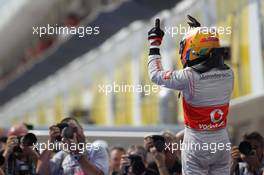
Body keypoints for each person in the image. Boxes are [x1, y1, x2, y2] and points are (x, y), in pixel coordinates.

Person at [147, 15, 234, 175]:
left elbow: (155, 75)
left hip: (196, 143)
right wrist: (200, 34)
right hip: (221, 140)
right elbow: (207, 56)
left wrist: (154, 43)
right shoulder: (229, 73)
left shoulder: (188, 76)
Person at [37, 117, 109, 175]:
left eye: (75, 129)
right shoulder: (62, 156)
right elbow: (40, 172)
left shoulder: (96, 150)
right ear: (62, 136)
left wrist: (77, 153)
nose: (74, 134)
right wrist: (50, 142)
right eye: (69, 132)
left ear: (81, 128)